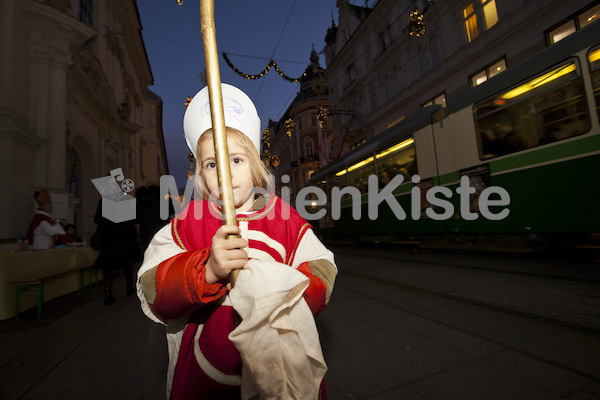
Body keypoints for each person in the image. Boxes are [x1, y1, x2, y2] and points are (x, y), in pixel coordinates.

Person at [137, 84, 337, 399]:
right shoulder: (189, 221)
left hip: (280, 373)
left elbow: (322, 271)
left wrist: (288, 292)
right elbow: (153, 288)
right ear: (200, 174)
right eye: (212, 164)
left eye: (237, 160)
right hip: (206, 380)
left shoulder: (282, 216)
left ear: (256, 165)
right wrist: (207, 270)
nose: (225, 174)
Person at [93, 197, 138, 304]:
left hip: (109, 236)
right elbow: (134, 219)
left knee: (107, 266)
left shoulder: (104, 200)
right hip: (124, 236)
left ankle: (107, 292)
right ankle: (129, 287)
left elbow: (97, 219)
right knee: (127, 263)